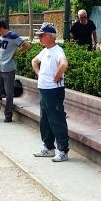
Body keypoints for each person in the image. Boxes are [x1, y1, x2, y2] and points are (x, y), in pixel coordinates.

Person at [31, 23, 69, 163]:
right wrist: (39, 73)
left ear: (50, 36)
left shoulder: (58, 51)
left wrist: (58, 75)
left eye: (42, 35)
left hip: (53, 90)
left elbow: (64, 64)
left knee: (56, 119)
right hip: (44, 89)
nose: (40, 38)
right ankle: (48, 147)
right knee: (45, 119)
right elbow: (34, 61)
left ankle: (63, 150)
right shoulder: (45, 50)